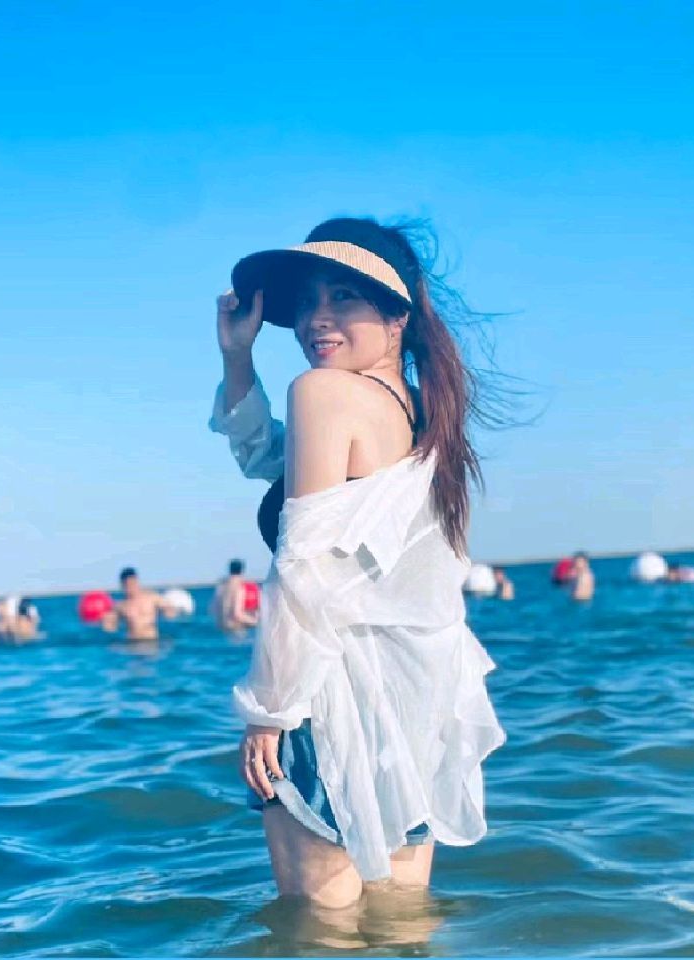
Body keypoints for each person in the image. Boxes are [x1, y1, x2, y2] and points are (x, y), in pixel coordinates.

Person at [209, 216, 505, 908]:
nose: (316, 319)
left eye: (343, 297)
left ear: (397, 314)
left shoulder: (323, 392)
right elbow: (265, 457)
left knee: (320, 932)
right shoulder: (425, 415)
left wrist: (270, 710)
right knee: (404, 924)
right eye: (307, 301)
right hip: (418, 706)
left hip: (334, 698)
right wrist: (238, 357)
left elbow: (304, 565)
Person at [101, 567, 173, 641]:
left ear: (137, 581)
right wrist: (107, 623)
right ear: (122, 585)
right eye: (127, 585)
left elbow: (169, 610)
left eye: (132, 583)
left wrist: (168, 611)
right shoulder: (120, 606)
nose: (130, 587)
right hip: (132, 642)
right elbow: (110, 627)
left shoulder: (152, 598)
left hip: (152, 640)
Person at [211, 559, 259, 638]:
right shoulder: (239, 586)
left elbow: (212, 609)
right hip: (236, 631)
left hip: (221, 631)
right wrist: (257, 622)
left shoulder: (221, 586)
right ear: (242, 570)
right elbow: (237, 614)